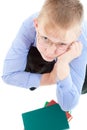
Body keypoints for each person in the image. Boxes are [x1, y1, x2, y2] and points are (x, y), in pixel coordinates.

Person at [2, 0, 87, 111]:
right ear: (36, 24)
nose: (50, 51)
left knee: (82, 88)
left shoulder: (80, 44)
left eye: (62, 43)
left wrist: (63, 65)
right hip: (40, 53)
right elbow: (8, 75)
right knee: (31, 60)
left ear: (76, 37)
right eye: (45, 38)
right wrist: (50, 78)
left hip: (76, 61)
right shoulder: (29, 26)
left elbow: (67, 105)